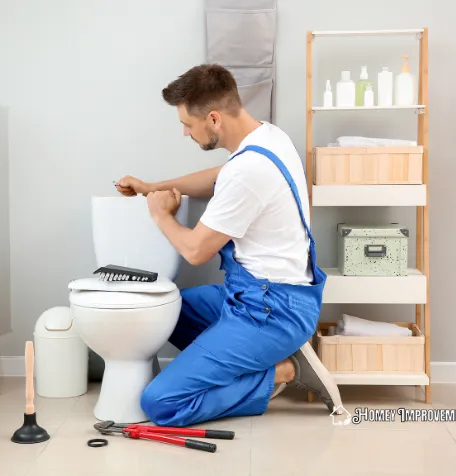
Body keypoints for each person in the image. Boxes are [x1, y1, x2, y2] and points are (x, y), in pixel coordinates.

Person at [115, 64, 343, 427]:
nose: (185, 133)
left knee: (161, 403)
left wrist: (161, 215)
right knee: (165, 313)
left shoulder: (250, 170)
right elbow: (219, 177)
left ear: (214, 119)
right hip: (253, 295)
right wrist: (151, 186)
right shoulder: (266, 138)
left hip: (273, 311)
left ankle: (280, 371)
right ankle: (241, 358)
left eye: (188, 125)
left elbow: (195, 250)